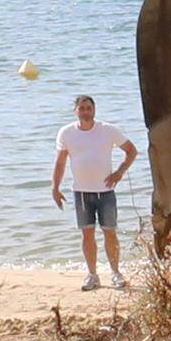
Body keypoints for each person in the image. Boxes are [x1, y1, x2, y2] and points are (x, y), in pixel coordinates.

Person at [47, 95, 139, 288]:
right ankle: (92, 275)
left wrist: (119, 172)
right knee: (87, 234)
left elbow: (131, 151)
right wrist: (55, 187)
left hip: (105, 191)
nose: (85, 111)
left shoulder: (108, 130)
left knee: (109, 232)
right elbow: (60, 162)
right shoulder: (66, 133)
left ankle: (116, 273)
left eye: (89, 108)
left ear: (94, 110)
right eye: (82, 108)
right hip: (81, 192)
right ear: (75, 111)